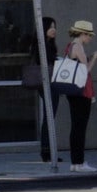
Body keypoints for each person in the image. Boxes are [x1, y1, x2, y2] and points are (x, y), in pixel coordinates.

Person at [61, 20, 97, 172]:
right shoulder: (78, 46)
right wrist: (95, 57)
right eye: (89, 35)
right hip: (81, 92)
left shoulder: (70, 46)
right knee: (80, 127)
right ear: (83, 34)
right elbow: (85, 71)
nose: (90, 38)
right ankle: (79, 163)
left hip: (73, 92)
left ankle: (75, 163)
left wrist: (89, 55)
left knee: (76, 127)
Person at [33, 16, 59, 161]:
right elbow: (44, 63)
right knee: (49, 117)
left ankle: (49, 151)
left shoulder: (49, 44)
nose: (53, 30)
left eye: (54, 27)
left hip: (51, 82)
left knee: (50, 117)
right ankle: (46, 152)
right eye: (50, 27)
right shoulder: (41, 46)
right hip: (46, 83)